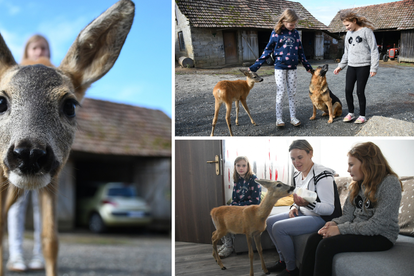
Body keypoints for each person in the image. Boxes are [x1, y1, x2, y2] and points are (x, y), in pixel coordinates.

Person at [306, 142, 402, 276]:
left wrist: (340, 229)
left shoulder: (390, 183)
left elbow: (378, 225)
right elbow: (348, 216)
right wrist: (334, 223)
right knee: (314, 239)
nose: (348, 169)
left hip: (382, 236)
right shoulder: (356, 185)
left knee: (326, 245)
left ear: (368, 163)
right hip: (359, 229)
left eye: (351, 164)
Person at [6, 34, 52, 272]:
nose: (39, 51)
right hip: (17, 152)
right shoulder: (14, 74)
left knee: (42, 207)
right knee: (16, 204)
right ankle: (15, 253)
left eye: (44, 47)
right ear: (27, 51)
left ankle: (39, 254)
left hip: (45, 154)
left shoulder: (57, 76)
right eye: (35, 47)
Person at [265, 140, 342, 276]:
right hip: (305, 212)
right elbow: (300, 195)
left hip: (321, 218)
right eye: (293, 159)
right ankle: (283, 260)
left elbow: (329, 208)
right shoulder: (297, 174)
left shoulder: (322, 174)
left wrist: (306, 204)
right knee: (270, 221)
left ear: (310, 153)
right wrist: (294, 206)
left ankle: (291, 269)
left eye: (300, 157)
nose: (296, 162)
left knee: (278, 227)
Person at [249, 8, 313, 128]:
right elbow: (267, 50)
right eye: (291, 24)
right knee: (281, 91)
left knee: (292, 93)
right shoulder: (276, 33)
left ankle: (293, 117)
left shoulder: (295, 33)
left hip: (293, 68)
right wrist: (255, 66)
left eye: (294, 24)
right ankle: (279, 119)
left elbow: (301, 51)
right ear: (283, 21)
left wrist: (307, 65)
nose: (293, 26)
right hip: (280, 68)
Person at [333, 11, 379, 124]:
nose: (347, 28)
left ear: (354, 21)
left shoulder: (366, 31)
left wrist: (373, 68)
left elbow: (374, 50)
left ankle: (362, 115)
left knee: (359, 91)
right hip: (351, 66)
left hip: (363, 66)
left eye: (348, 25)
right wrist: (340, 66)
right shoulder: (348, 34)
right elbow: (346, 52)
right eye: (345, 26)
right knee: (348, 90)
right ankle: (351, 113)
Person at [218, 156, 261, 258]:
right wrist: (232, 206)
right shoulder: (237, 180)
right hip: (239, 208)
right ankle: (227, 242)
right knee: (220, 214)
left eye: (243, 165)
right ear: (235, 167)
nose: (241, 168)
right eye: (238, 165)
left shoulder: (254, 179)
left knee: (229, 218)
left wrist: (235, 206)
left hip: (250, 209)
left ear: (248, 166)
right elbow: (234, 199)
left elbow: (256, 201)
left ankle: (229, 247)